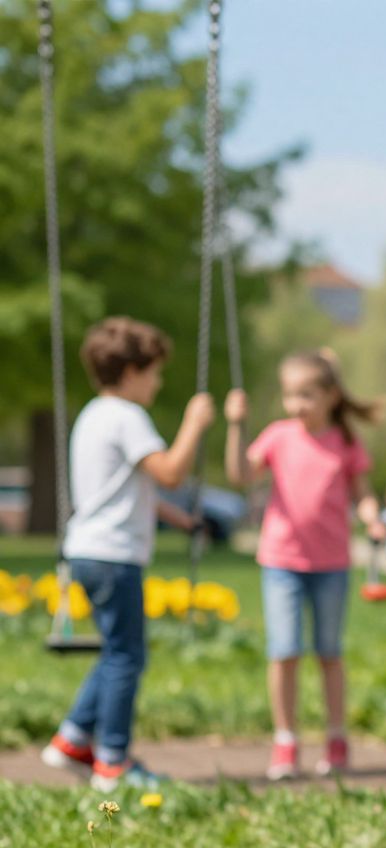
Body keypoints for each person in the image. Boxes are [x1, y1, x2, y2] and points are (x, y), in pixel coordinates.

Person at [40, 317, 215, 792]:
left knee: (119, 651)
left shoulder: (94, 415)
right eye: (155, 372)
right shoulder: (127, 417)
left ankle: (74, 739)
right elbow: (170, 472)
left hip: (88, 549)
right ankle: (112, 761)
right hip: (114, 555)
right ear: (132, 371)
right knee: (126, 657)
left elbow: (124, 488)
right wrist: (194, 424)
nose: (157, 382)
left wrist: (176, 519)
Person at [224, 351, 385, 781]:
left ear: (331, 396)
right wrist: (236, 424)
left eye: (306, 395)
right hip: (281, 561)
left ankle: (335, 737)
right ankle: (285, 740)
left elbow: (362, 492)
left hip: (331, 564)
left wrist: (372, 517)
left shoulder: (345, 442)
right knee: (284, 653)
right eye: (290, 395)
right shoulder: (278, 436)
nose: (296, 405)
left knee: (329, 653)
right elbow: (240, 474)